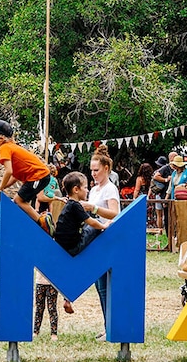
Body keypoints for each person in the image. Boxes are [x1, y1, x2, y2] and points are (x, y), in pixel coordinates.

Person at [80, 145, 121, 341]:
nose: (93, 174)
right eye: (91, 170)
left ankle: (112, 328)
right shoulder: (95, 189)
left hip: (106, 240)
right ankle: (108, 326)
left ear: (106, 168)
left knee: (106, 287)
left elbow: (115, 213)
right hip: (95, 239)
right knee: (100, 286)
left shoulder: (110, 189)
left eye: (96, 170)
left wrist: (93, 208)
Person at [0, 119, 52, 222]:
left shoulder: (4, 148)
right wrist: (2, 188)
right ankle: (35, 221)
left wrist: (0, 188)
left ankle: (42, 222)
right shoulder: (12, 147)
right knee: (20, 200)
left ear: (1, 138)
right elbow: (15, 176)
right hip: (38, 176)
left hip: (38, 175)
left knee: (18, 200)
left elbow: (8, 171)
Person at [54, 171, 109, 254]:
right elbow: (92, 222)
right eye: (85, 188)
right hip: (73, 247)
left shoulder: (69, 204)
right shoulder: (75, 205)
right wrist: (104, 225)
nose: (87, 191)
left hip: (62, 246)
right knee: (98, 223)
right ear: (76, 189)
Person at [33, 269, 59, 340]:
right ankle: (36, 331)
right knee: (39, 308)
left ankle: (54, 333)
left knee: (52, 309)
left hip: (52, 283)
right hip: (40, 282)